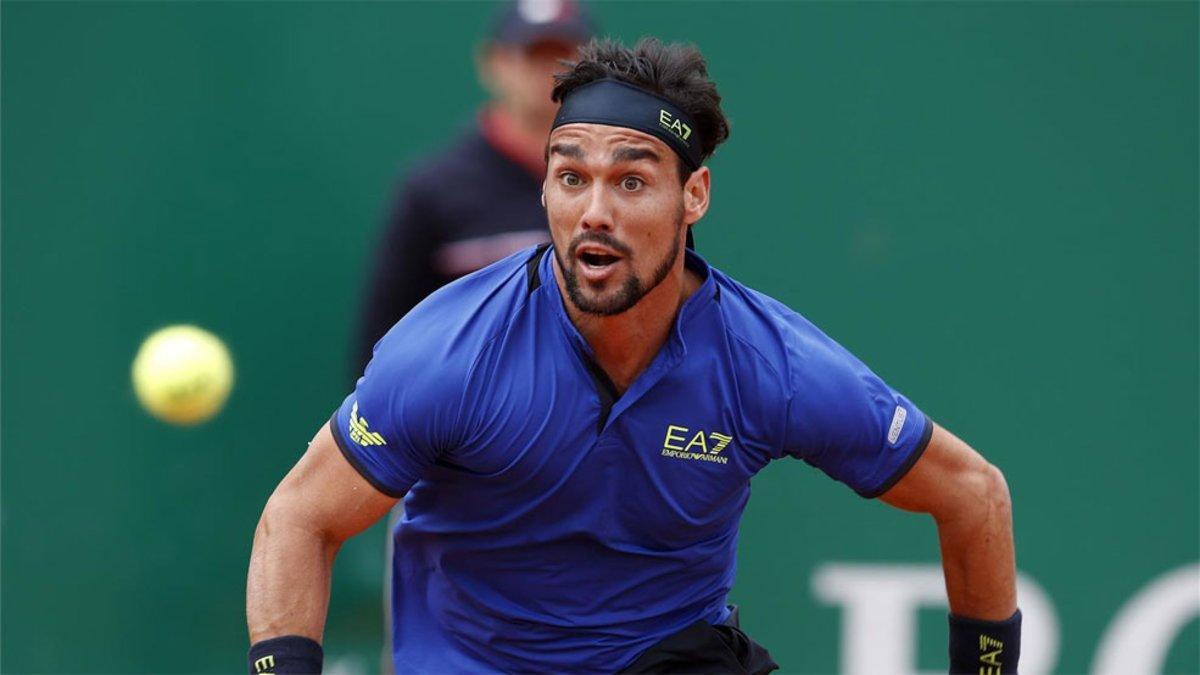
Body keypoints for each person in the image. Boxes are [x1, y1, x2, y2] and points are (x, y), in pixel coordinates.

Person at [247, 38, 1021, 674]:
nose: (594, 211)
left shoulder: (768, 364)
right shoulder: (447, 354)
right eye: (571, 176)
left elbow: (972, 494)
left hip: (669, 660)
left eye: (631, 181)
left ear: (694, 197)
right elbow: (299, 518)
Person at [354, 0, 595, 374]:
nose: (549, 72)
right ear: (493, 64)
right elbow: (379, 349)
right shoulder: (433, 189)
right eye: (533, 54)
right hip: (464, 425)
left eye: (563, 56)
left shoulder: (617, 182)